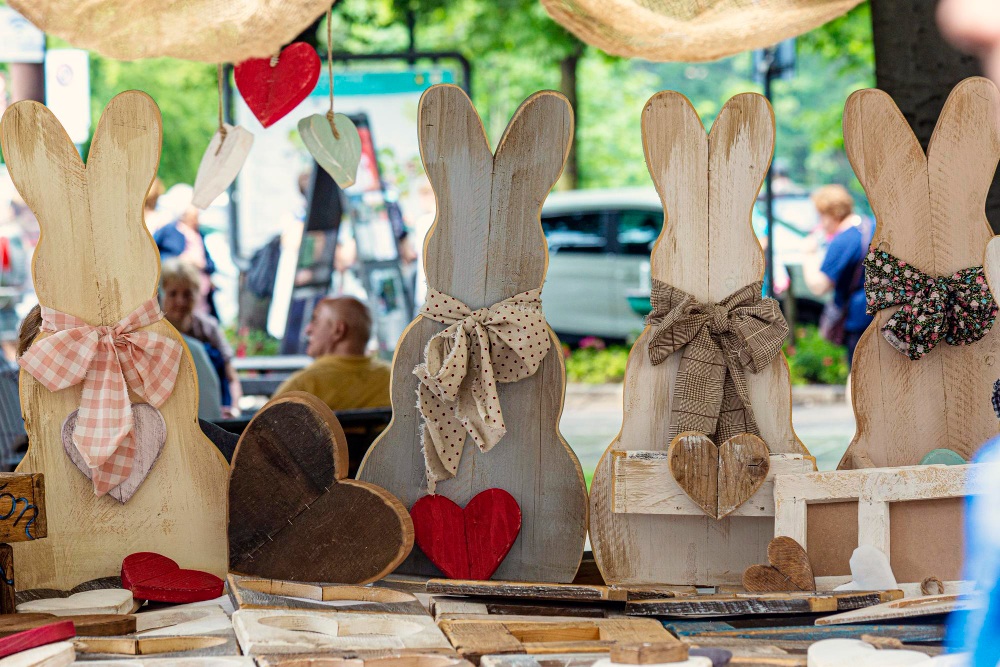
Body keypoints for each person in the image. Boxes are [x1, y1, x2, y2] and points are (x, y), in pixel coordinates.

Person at [274, 296, 391, 410]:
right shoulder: (392, 378)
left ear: (338, 331)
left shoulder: (301, 388)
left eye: (315, 320)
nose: (308, 329)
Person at [160, 259, 242, 417]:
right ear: (161, 294)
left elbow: (231, 377)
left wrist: (234, 409)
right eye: (173, 293)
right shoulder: (153, 330)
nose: (180, 301)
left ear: (197, 294)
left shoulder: (208, 328)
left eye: (187, 294)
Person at [802, 185, 873, 366]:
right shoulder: (871, 225)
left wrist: (808, 254)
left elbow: (819, 286)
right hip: (883, 313)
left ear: (830, 213)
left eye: (820, 216)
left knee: (857, 374)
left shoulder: (843, 240)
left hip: (858, 319)